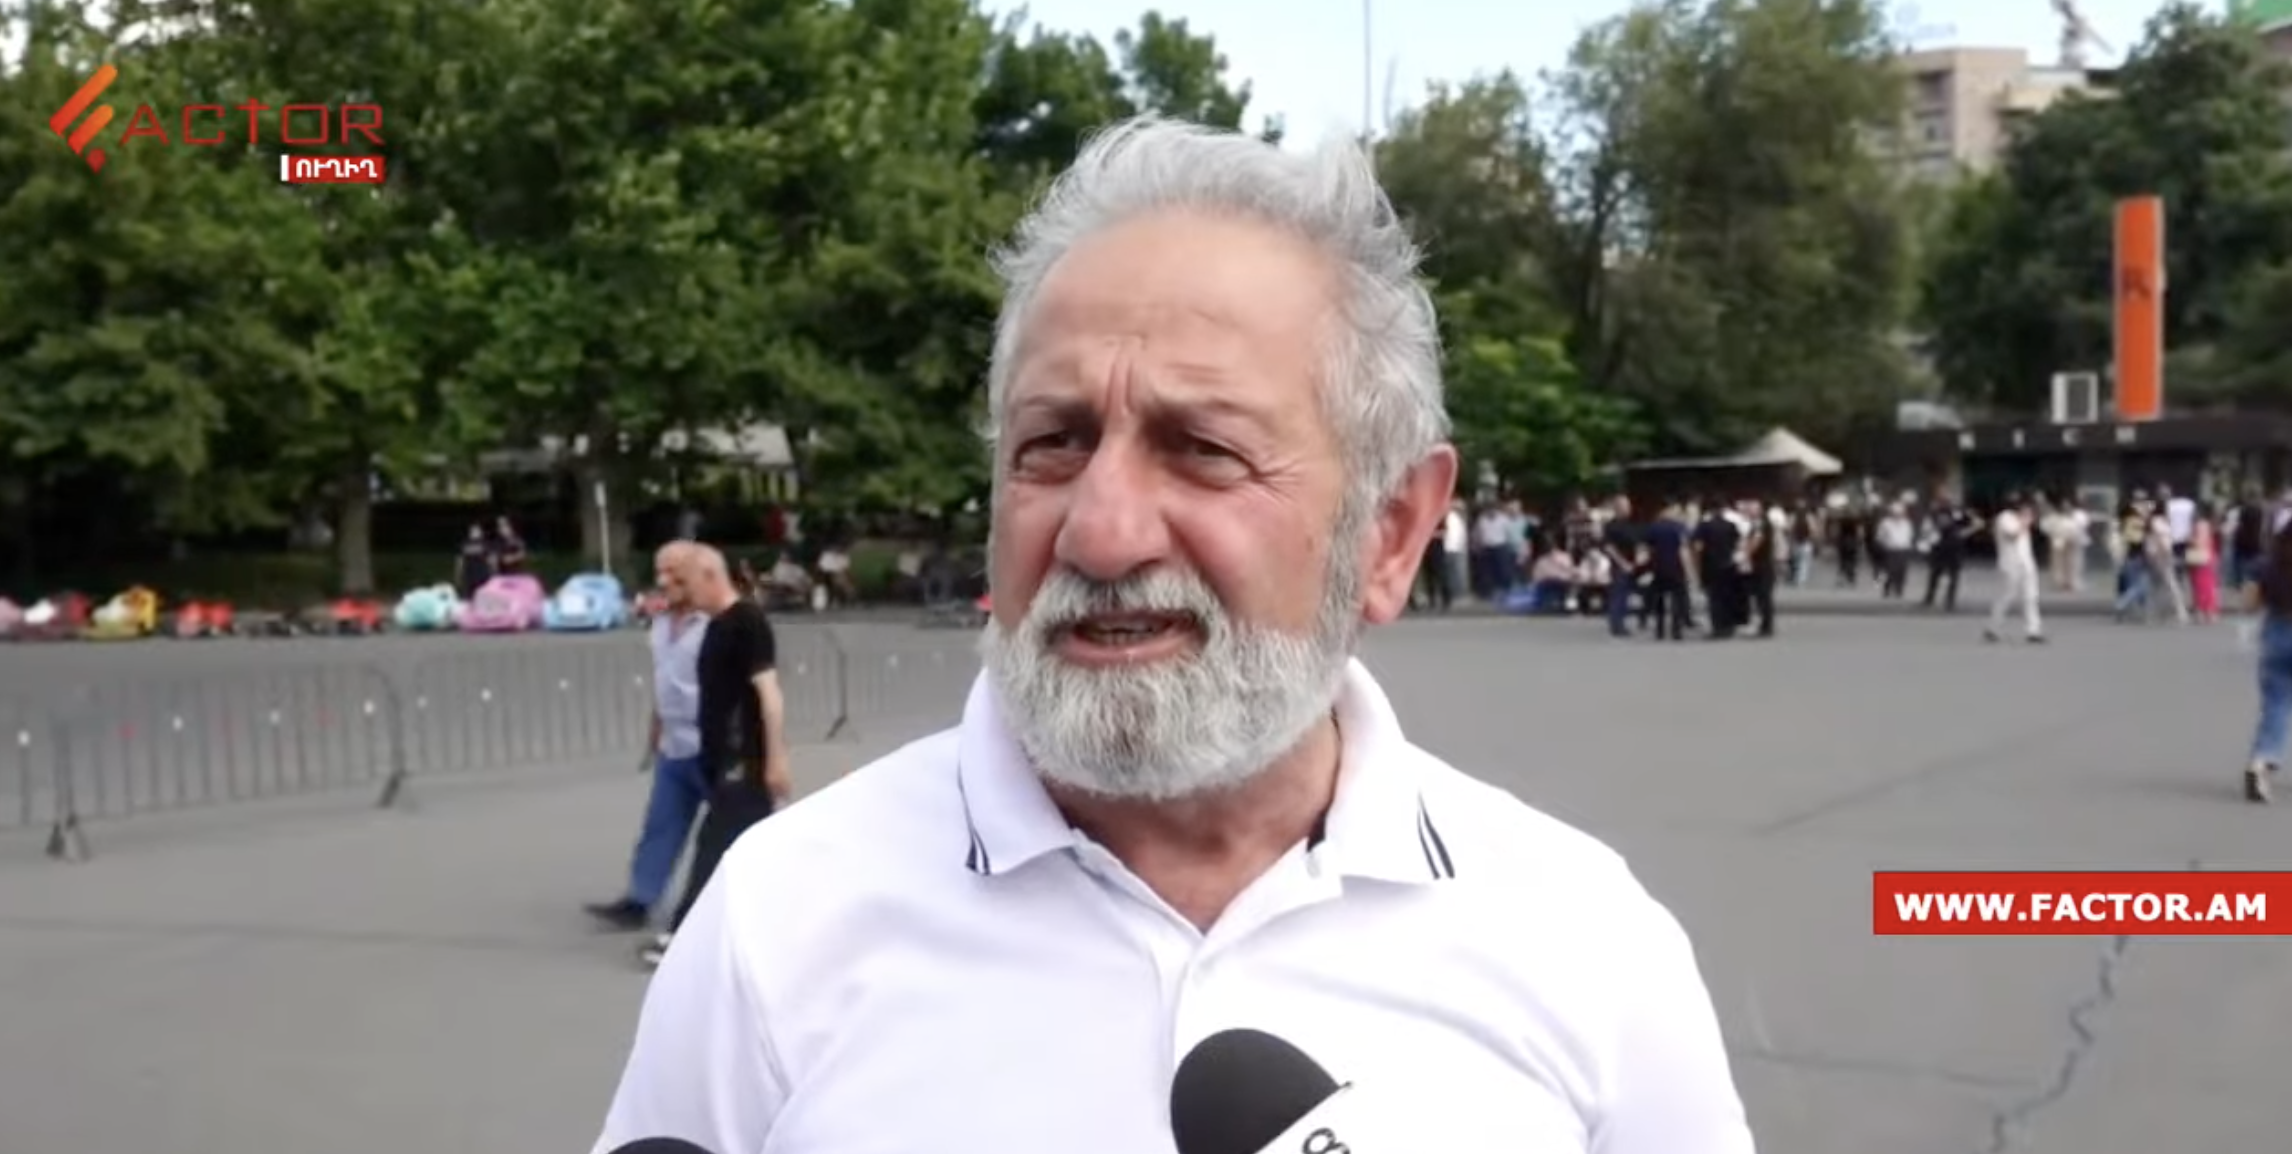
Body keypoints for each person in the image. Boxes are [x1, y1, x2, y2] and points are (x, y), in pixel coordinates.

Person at [590, 117, 1751, 1154]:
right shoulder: (779, 915)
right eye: (1053, 442)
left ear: (1391, 532)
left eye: (1204, 448)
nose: (1099, 532)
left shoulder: (1586, 940)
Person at [636, 545, 792, 969]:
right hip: (720, 758)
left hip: (745, 762)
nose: (682, 592)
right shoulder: (717, 626)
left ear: (710, 576)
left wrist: (775, 758)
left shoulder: (747, 622)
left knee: (714, 847)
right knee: (754, 850)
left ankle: (683, 934)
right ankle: (774, 931)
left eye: (686, 582)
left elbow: (769, 694)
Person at [584, 543, 711, 931]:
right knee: (660, 824)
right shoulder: (660, 623)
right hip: (675, 742)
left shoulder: (718, 623)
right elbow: (665, 680)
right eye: (660, 572)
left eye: (674, 572)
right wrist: (655, 728)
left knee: (732, 831)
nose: (664, 581)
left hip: (715, 743)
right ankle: (640, 898)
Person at [2240, 523, 2292, 803]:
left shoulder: (2266, 565)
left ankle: (2260, 761)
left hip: (2277, 633)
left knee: (2276, 705)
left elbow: (2249, 605)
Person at [1983, 492, 2045, 645]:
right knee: (2007, 595)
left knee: (2031, 596)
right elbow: (2012, 535)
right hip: (2010, 563)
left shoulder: (2021, 518)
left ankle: (2033, 630)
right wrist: (2025, 520)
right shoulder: (2004, 518)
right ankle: (1993, 627)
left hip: (2026, 562)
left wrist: (2034, 512)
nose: (2025, 508)